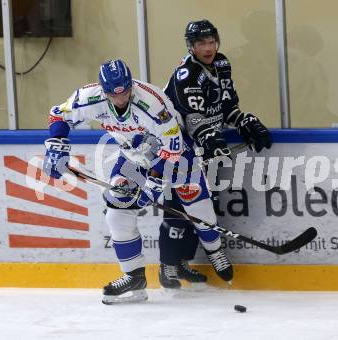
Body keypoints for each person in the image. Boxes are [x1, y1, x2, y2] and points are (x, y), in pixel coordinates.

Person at [43, 59, 233, 304]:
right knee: (117, 212)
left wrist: (153, 185)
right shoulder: (90, 97)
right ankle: (134, 278)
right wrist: (57, 147)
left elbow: (172, 146)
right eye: (113, 94)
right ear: (104, 90)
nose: (121, 99)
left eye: (125, 91)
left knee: (195, 203)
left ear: (130, 83)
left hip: (174, 152)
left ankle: (215, 249)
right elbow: (59, 114)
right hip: (133, 156)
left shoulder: (152, 103)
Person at [158, 19, 272, 289]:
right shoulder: (186, 74)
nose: (208, 47)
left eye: (211, 41)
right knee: (177, 205)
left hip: (202, 144)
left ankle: (183, 262)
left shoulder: (222, 64)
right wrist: (208, 136)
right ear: (191, 46)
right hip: (177, 145)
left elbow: (226, 106)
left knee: (199, 204)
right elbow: (193, 116)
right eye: (201, 43)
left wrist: (243, 121)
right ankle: (167, 266)